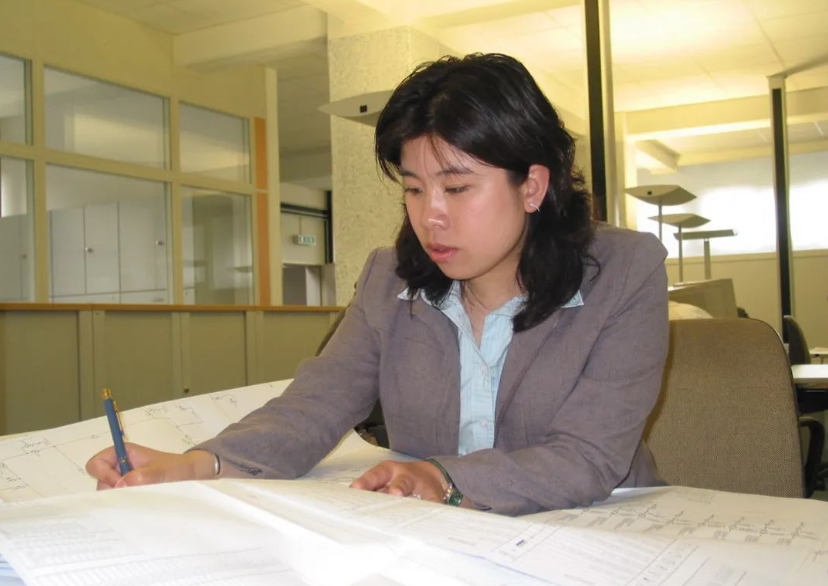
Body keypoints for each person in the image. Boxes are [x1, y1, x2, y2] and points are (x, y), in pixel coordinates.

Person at [87, 53, 668, 516]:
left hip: (596, 525)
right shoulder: (388, 278)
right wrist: (199, 465)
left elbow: (586, 455)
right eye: (413, 189)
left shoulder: (626, 270)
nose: (429, 215)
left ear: (533, 186)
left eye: (457, 188)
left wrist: (445, 478)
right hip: (432, 535)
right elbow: (316, 404)